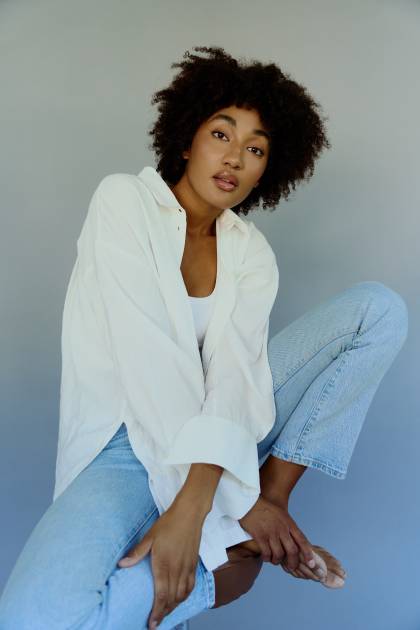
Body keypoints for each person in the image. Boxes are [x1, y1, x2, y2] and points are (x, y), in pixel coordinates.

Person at [0, 46, 408, 629]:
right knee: (32, 619)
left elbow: (237, 381)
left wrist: (230, 501)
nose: (235, 157)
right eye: (221, 134)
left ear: (269, 169)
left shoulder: (251, 253)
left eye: (256, 149)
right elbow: (151, 364)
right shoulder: (124, 201)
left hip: (223, 437)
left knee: (378, 311)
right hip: (124, 443)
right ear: (187, 139)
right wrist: (218, 510)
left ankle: (271, 501)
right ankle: (227, 562)